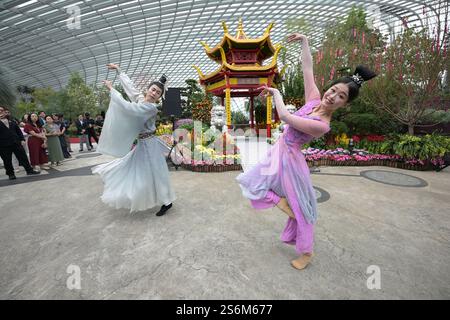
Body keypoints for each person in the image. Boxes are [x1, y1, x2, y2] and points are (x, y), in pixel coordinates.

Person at [236, 33, 377, 270]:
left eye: (341, 96)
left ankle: (307, 251)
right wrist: (305, 42)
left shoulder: (322, 125)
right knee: (250, 183)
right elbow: (307, 69)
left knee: (302, 208)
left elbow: (285, 117)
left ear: (345, 103)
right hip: (277, 152)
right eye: (334, 90)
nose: (333, 96)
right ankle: (281, 202)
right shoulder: (313, 99)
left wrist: (276, 93)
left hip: (291, 162)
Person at [92, 63, 176, 216]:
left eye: (157, 92)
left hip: (150, 145)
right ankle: (145, 196)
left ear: (159, 97)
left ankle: (167, 202)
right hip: (142, 144)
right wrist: (119, 70)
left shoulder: (151, 108)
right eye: (153, 89)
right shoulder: (140, 99)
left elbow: (130, 109)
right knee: (132, 169)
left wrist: (112, 90)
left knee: (157, 173)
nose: (154, 93)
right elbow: (131, 89)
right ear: (148, 89)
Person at [0, 106, 40, 179]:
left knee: (23, 157)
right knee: (7, 160)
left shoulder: (12, 121)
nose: (1, 112)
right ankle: (11, 174)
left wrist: (22, 140)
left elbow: (18, 131)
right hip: (3, 145)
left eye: (2, 110)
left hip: (16, 142)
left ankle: (29, 170)